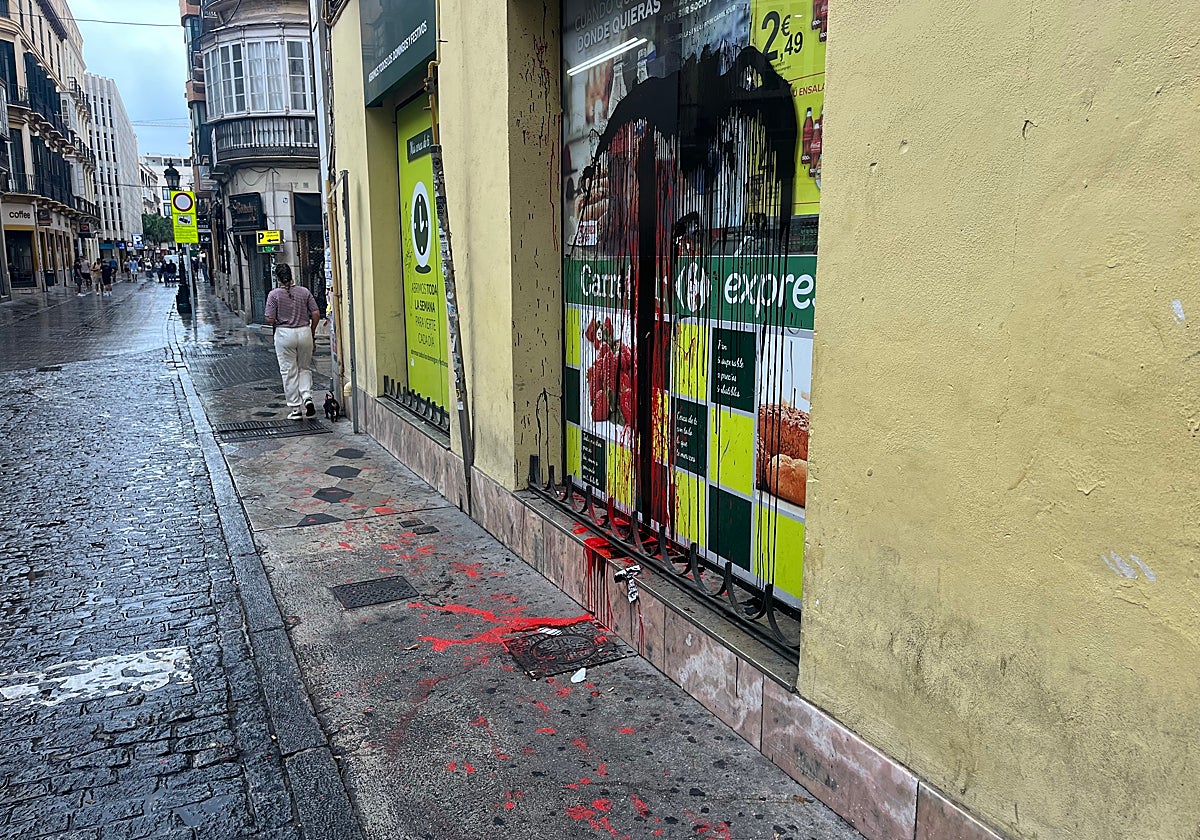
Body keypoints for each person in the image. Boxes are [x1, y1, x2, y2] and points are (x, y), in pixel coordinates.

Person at [264, 264, 321, 420]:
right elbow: (316, 313)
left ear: (278, 278)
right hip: (304, 332)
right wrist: (312, 330)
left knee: (289, 371)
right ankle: (307, 396)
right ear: (291, 275)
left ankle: (295, 409)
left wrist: (279, 316)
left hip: (284, 334)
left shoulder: (274, 295)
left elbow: (269, 318)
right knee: (304, 367)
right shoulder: (304, 292)